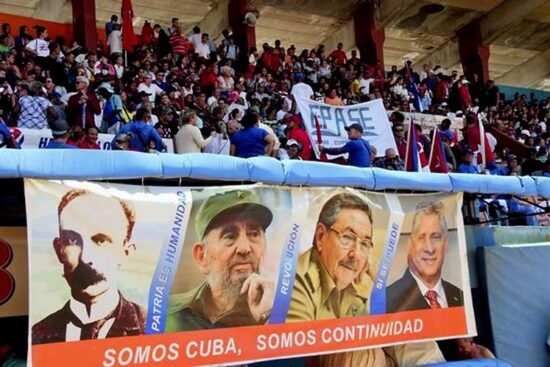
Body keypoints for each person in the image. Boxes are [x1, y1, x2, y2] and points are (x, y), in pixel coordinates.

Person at [287, 193, 391, 366]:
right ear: (321, 236)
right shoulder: (296, 278)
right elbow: (301, 357)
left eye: (364, 244)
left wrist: (381, 286)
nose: (356, 254)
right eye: (347, 238)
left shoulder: (362, 279)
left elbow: (392, 333)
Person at [32, 189, 145, 343]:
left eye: (101, 240)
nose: (85, 258)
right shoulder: (38, 334)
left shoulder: (151, 326)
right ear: (58, 250)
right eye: (72, 241)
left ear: (125, 253)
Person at [166, 190, 275, 331]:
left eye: (254, 234)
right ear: (202, 256)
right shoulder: (166, 313)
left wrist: (266, 318)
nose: (244, 248)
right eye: (230, 236)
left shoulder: (285, 310)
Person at [386, 201, 463, 312]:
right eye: (421, 237)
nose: (429, 248)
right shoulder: (387, 300)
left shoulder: (460, 297)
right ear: (410, 245)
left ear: (445, 244)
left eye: (436, 237)